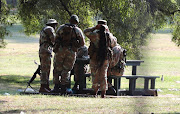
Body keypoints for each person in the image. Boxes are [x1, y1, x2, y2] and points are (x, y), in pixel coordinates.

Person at [52, 15, 85, 94]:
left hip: (60, 50)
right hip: (71, 51)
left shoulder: (61, 28)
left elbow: (55, 39)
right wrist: (75, 45)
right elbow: (82, 43)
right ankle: (64, 87)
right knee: (66, 69)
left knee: (57, 68)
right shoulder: (77, 30)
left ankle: (56, 86)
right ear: (77, 22)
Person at [84, 23, 112, 98]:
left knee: (95, 74)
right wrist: (107, 31)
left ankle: (94, 92)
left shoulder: (94, 35)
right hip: (105, 57)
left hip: (95, 57)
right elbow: (114, 44)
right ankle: (103, 93)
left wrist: (93, 28)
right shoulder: (109, 36)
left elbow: (85, 31)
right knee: (103, 75)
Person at [39, 19, 58, 93]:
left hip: (44, 50)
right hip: (46, 50)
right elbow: (54, 40)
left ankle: (46, 86)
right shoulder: (50, 29)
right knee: (45, 69)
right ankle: (43, 87)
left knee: (45, 68)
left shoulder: (45, 29)